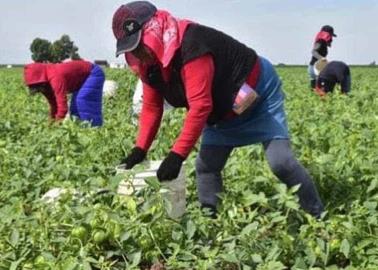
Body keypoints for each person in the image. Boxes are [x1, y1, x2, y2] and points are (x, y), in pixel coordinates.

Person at [112, 1, 324, 217]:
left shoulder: (192, 46)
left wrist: (177, 155)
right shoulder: (150, 66)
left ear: (153, 31)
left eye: (139, 45)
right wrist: (140, 149)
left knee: (281, 163)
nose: (138, 54)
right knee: (207, 166)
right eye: (132, 49)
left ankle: (318, 217)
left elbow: (200, 106)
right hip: (221, 110)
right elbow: (151, 107)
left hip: (257, 96)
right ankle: (210, 221)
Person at [24, 60, 105, 126]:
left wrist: (57, 123)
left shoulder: (55, 77)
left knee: (82, 101)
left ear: (40, 81)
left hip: (93, 73)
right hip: (81, 80)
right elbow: (53, 104)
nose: (39, 90)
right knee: (75, 108)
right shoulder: (45, 85)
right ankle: (81, 129)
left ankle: (93, 129)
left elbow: (63, 107)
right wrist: (51, 122)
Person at [308, 25, 337, 89]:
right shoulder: (320, 41)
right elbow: (313, 52)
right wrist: (323, 59)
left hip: (314, 67)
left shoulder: (322, 42)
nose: (331, 38)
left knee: (316, 90)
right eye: (331, 36)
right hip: (316, 67)